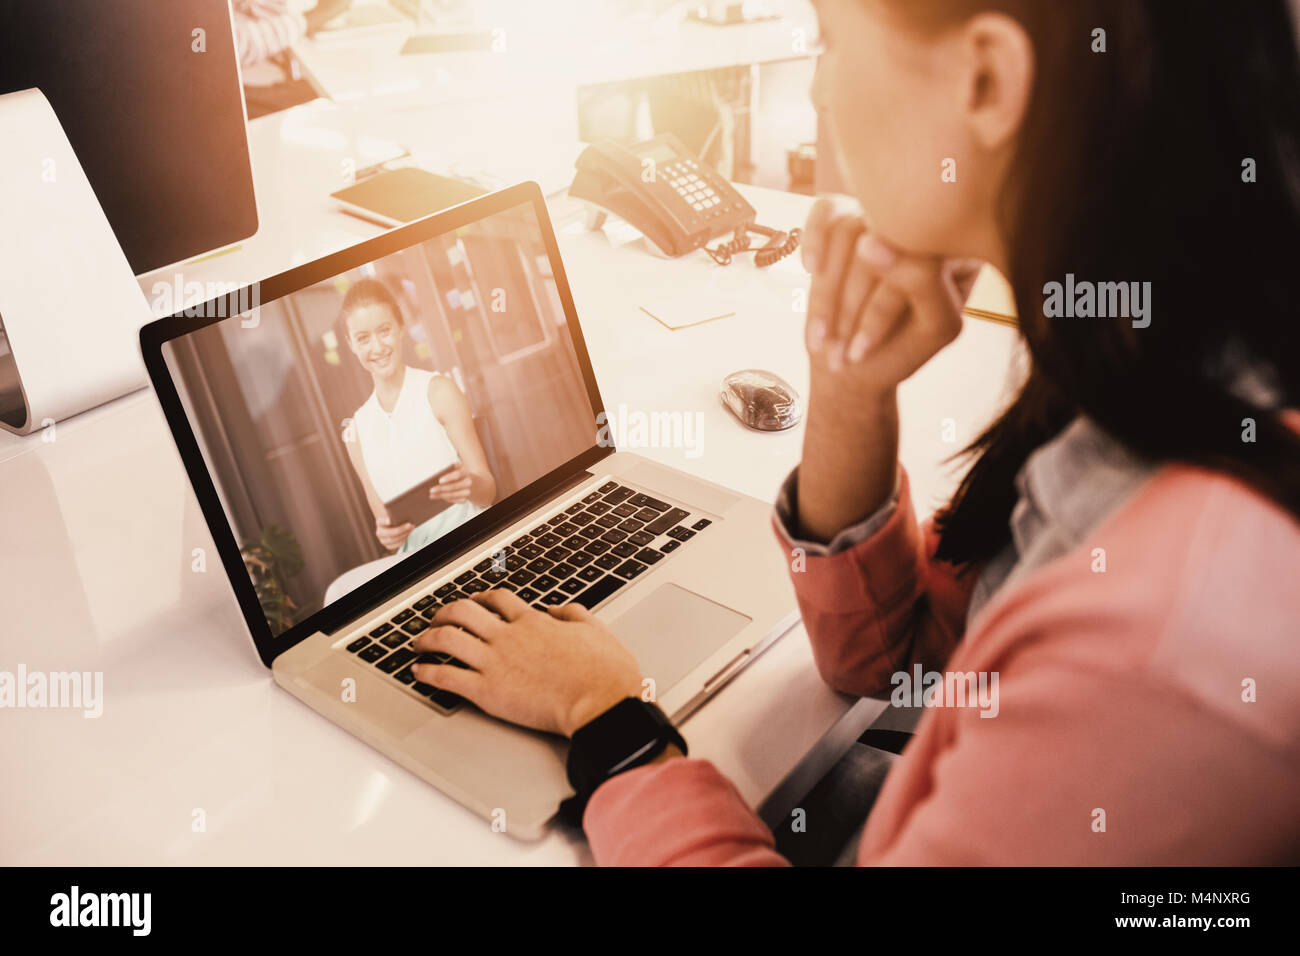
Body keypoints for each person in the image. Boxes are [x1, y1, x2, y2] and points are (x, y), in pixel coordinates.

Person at [407, 0, 1300, 865]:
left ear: (986, 80)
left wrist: (605, 716)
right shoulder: (1155, 373)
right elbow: (892, 659)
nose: (820, 94)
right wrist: (849, 384)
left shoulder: (1160, 648)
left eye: (831, 40)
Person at [341, 278, 496, 558]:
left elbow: (488, 492)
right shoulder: (355, 433)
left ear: (400, 328)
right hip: (416, 564)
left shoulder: (440, 392)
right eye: (363, 338)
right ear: (351, 344)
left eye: (384, 331)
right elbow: (387, 529)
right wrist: (387, 536)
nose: (377, 347)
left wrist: (468, 485)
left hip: (470, 543)